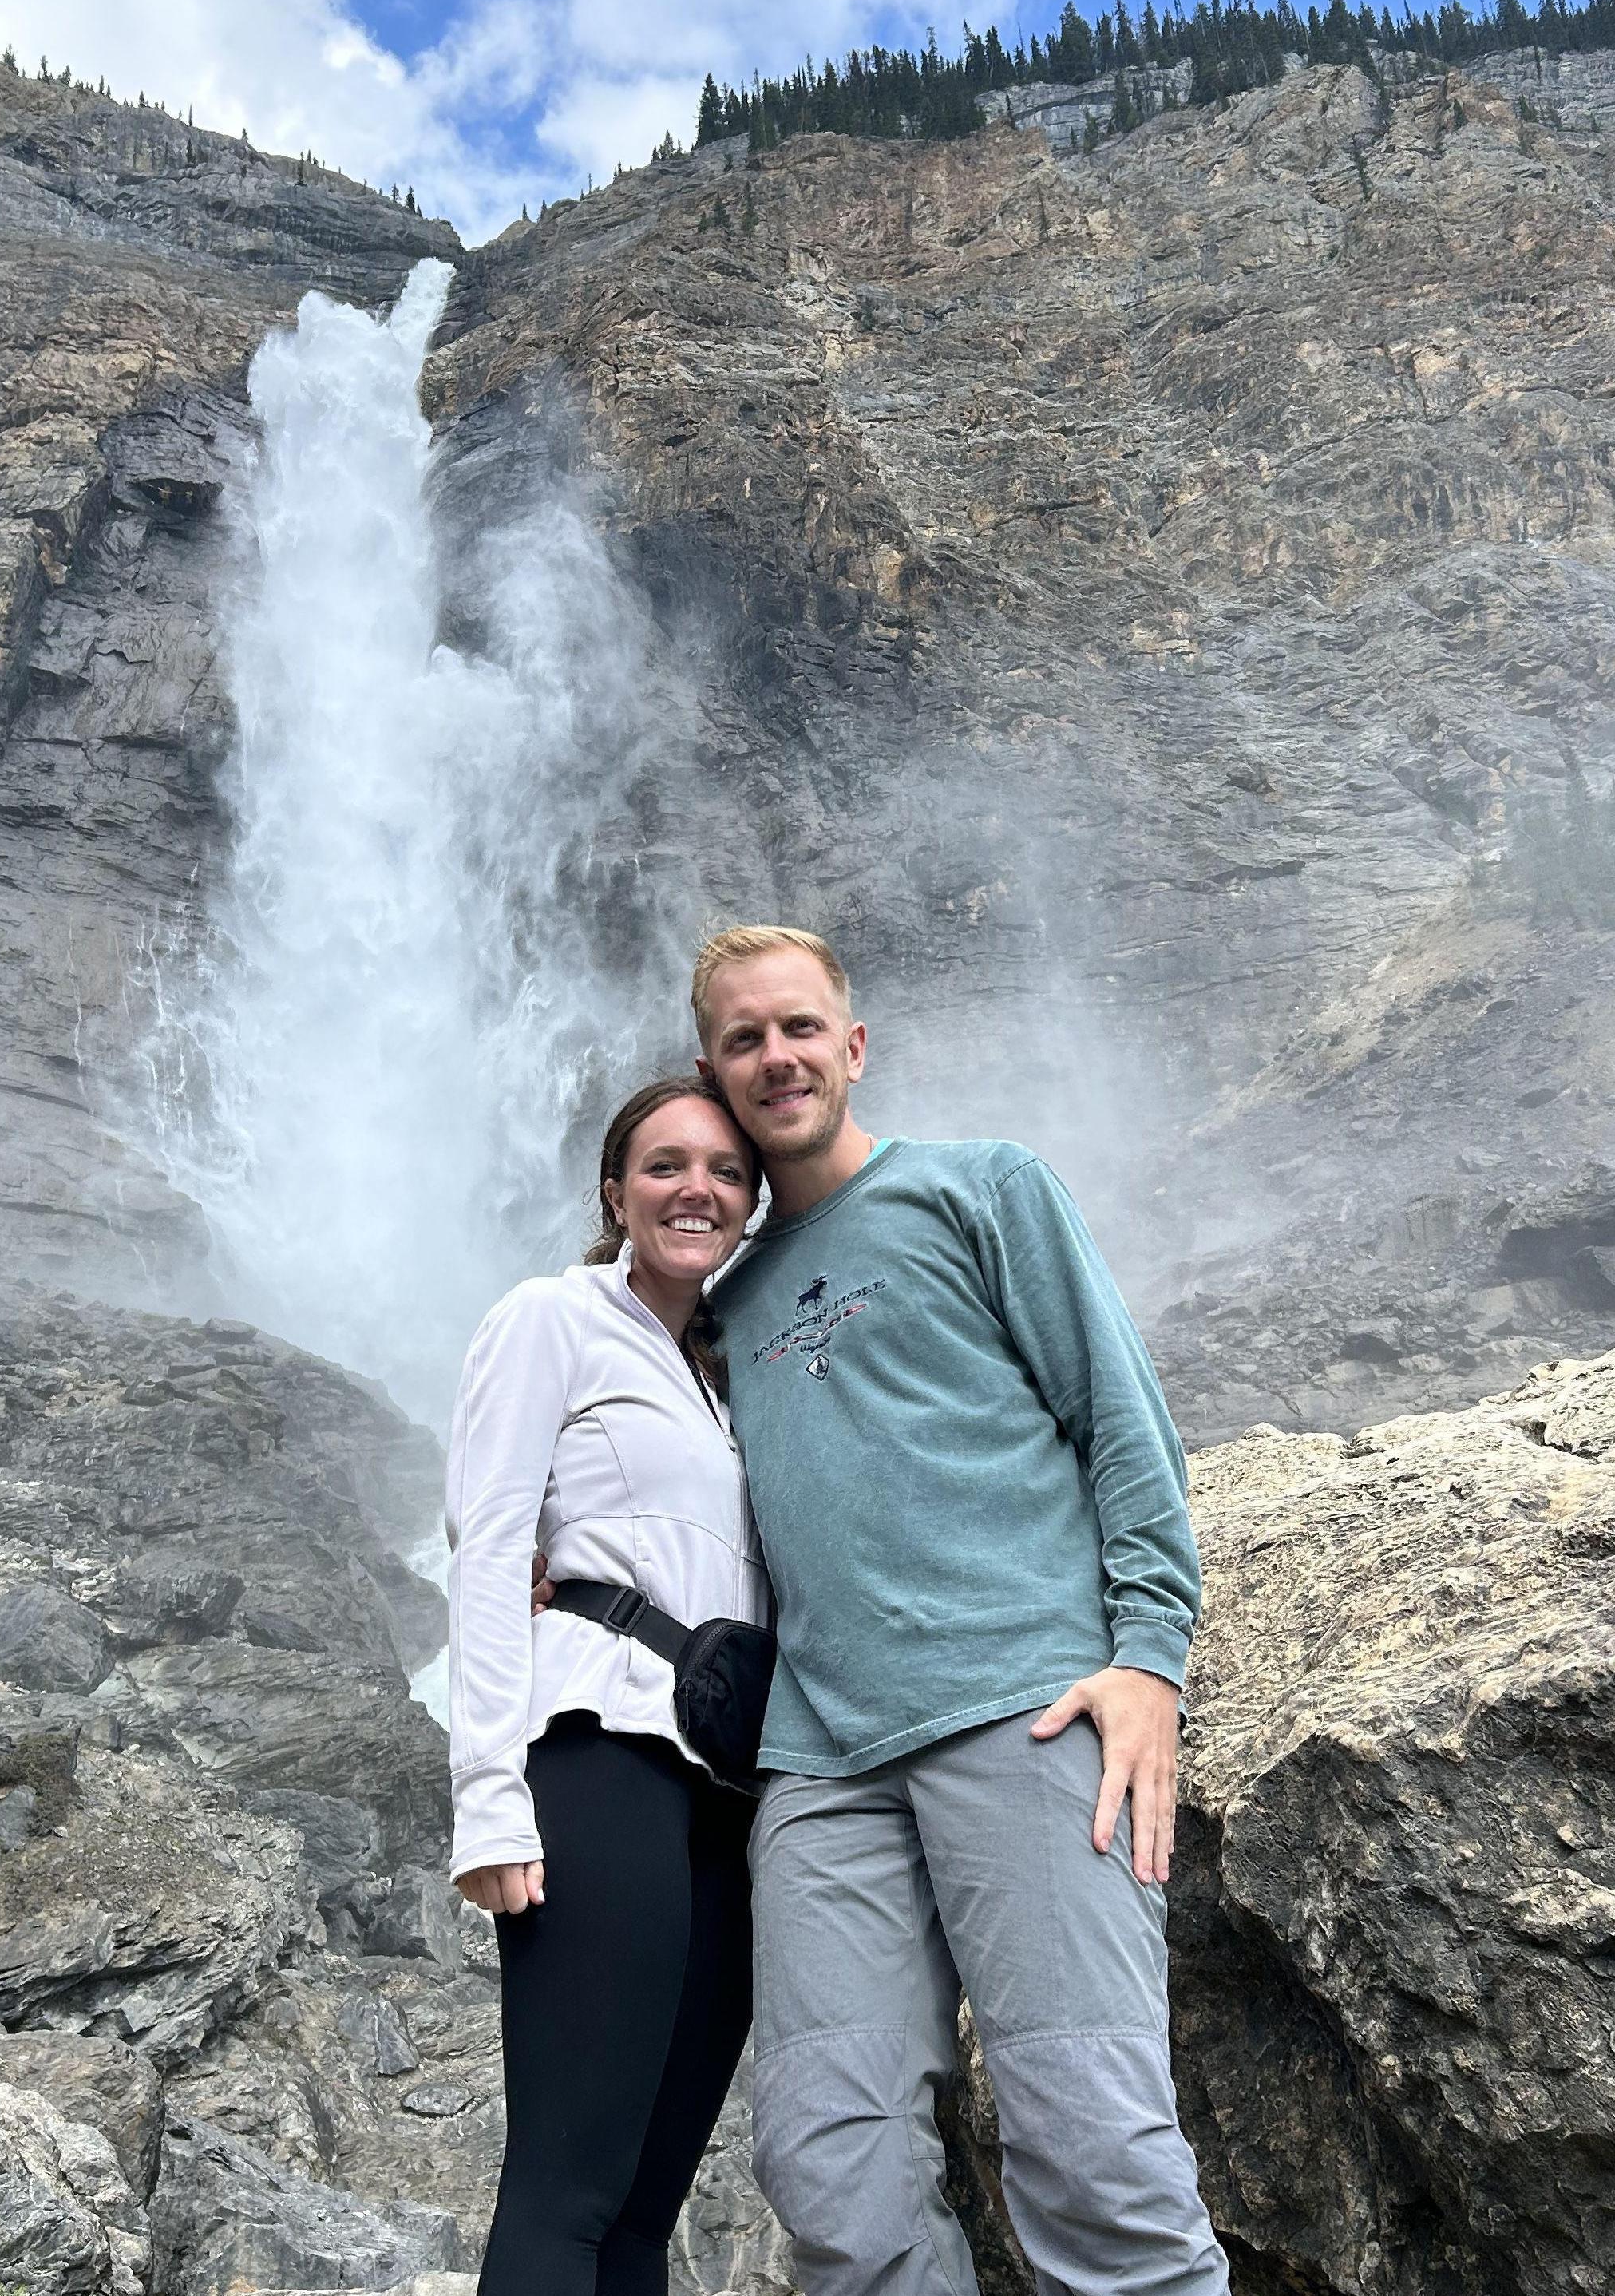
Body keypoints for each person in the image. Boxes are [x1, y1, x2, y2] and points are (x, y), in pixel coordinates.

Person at [691, 924, 1230, 2296]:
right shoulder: (731, 1296)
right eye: (744, 1037)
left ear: (852, 1045)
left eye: (798, 1026)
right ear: (714, 1069)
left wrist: (1148, 1660)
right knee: (828, 2167)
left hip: (1027, 1705)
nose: (776, 1055)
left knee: (1093, 2142)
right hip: (821, 1759)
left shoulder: (982, 1188)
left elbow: (1122, 1423)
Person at [445, 1074, 770, 2296]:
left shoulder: (734, 1374)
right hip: (602, 1747)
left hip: (728, 1782)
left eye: (726, 1171)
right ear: (613, 1190)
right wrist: (486, 1796)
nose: (697, 1188)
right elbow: (486, 1543)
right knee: (567, 2190)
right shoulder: (552, 1317)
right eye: (665, 1165)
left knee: (644, 2207)